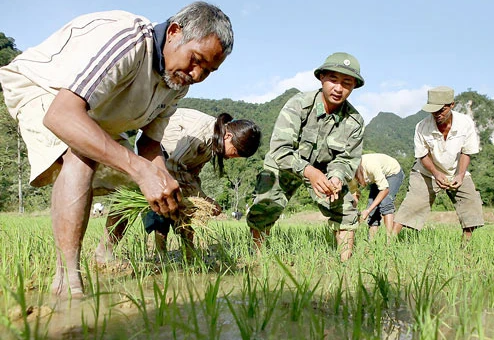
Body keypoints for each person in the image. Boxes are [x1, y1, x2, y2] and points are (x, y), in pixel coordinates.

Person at [0, 1, 234, 297]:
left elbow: (149, 142)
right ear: (175, 32)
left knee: (140, 186)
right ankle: (67, 281)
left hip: (96, 114)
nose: (197, 74)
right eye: (196, 60)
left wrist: (160, 178)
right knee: (82, 154)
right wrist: (139, 169)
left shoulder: (178, 82)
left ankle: (104, 253)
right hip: (46, 90)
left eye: (208, 71)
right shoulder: (130, 41)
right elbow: (63, 115)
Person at [94, 108, 261, 262]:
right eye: (236, 152)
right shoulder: (203, 133)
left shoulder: (214, 144)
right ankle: (107, 251)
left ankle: (189, 252)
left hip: (171, 161)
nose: (233, 157)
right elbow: (175, 166)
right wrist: (203, 198)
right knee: (132, 197)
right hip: (153, 149)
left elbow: (192, 174)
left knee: (185, 205)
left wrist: (198, 197)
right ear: (228, 136)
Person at [246, 52, 365, 261]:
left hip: (324, 172)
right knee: (264, 207)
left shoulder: (354, 122)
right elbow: (280, 150)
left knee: (345, 207)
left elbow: (347, 159)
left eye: (346, 83)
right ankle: (256, 259)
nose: (338, 88)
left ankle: (346, 264)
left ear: (354, 86)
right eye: (333, 80)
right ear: (322, 78)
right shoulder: (299, 105)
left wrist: (336, 177)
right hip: (284, 165)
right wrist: (309, 171)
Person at [390, 86, 484, 240]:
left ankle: (466, 246)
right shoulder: (422, 127)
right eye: (433, 111)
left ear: (452, 105)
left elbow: (466, 152)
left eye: (441, 110)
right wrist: (436, 173)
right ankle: (389, 242)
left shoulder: (465, 123)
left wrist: (460, 175)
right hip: (427, 172)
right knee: (412, 204)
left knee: (471, 204)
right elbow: (422, 155)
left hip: (456, 171)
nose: (437, 114)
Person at [352, 153, 405, 240]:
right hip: (377, 178)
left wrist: (367, 211)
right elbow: (355, 194)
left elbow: (385, 190)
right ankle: (371, 241)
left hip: (392, 173)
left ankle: (389, 240)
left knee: (386, 202)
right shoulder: (351, 173)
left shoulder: (371, 165)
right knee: (372, 206)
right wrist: (353, 211)